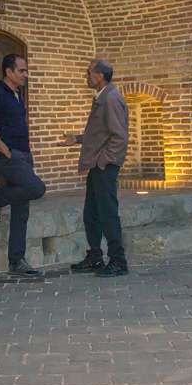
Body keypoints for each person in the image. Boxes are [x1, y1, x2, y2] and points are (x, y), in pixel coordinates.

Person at [0, 53, 46, 276]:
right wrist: (5, 151)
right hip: (7, 157)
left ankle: (16, 261)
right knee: (37, 188)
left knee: (22, 210)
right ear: (8, 72)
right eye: (22, 71)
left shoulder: (18, 94)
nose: (26, 75)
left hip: (24, 156)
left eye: (26, 70)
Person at [66, 59, 130, 277]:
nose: (87, 76)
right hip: (97, 164)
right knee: (91, 213)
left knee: (107, 213)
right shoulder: (103, 97)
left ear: (100, 75)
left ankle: (118, 260)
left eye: (89, 73)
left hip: (104, 166)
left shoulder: (111, 98)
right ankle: (95, 256)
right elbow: (100, 134)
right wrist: (77, 139)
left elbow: (119, 136)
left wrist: (104, 161)